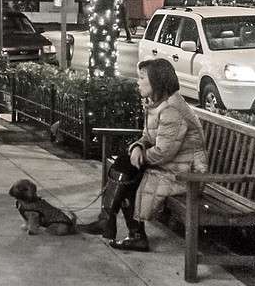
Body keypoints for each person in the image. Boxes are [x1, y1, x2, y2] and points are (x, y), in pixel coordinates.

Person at [89, 58, 207, 252]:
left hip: (186, 172)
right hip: (171, 165)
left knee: (128, 170)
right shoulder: (158, 104)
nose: (138, 82)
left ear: (157, 81)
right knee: (126, 166)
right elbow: (148, 137)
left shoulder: (171, 109)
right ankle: (119, 226)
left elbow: (163, 152)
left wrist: (138, 155)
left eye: (142, 78)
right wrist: (137, 147)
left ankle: (114, 223)